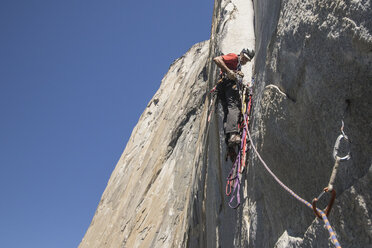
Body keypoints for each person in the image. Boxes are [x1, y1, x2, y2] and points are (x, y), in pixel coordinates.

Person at [213, 48, 255, 147]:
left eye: (247, 60)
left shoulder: (237, 65)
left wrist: (235, 73)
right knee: (234, 107)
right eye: (244, 58)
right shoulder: (234, 57)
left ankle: (228, 138)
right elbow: (217, 59)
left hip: (223, 87)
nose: (245, 61)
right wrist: (229, 72)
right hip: (227, 85)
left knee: (228, 111)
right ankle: (233, 134)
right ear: (241, 54)